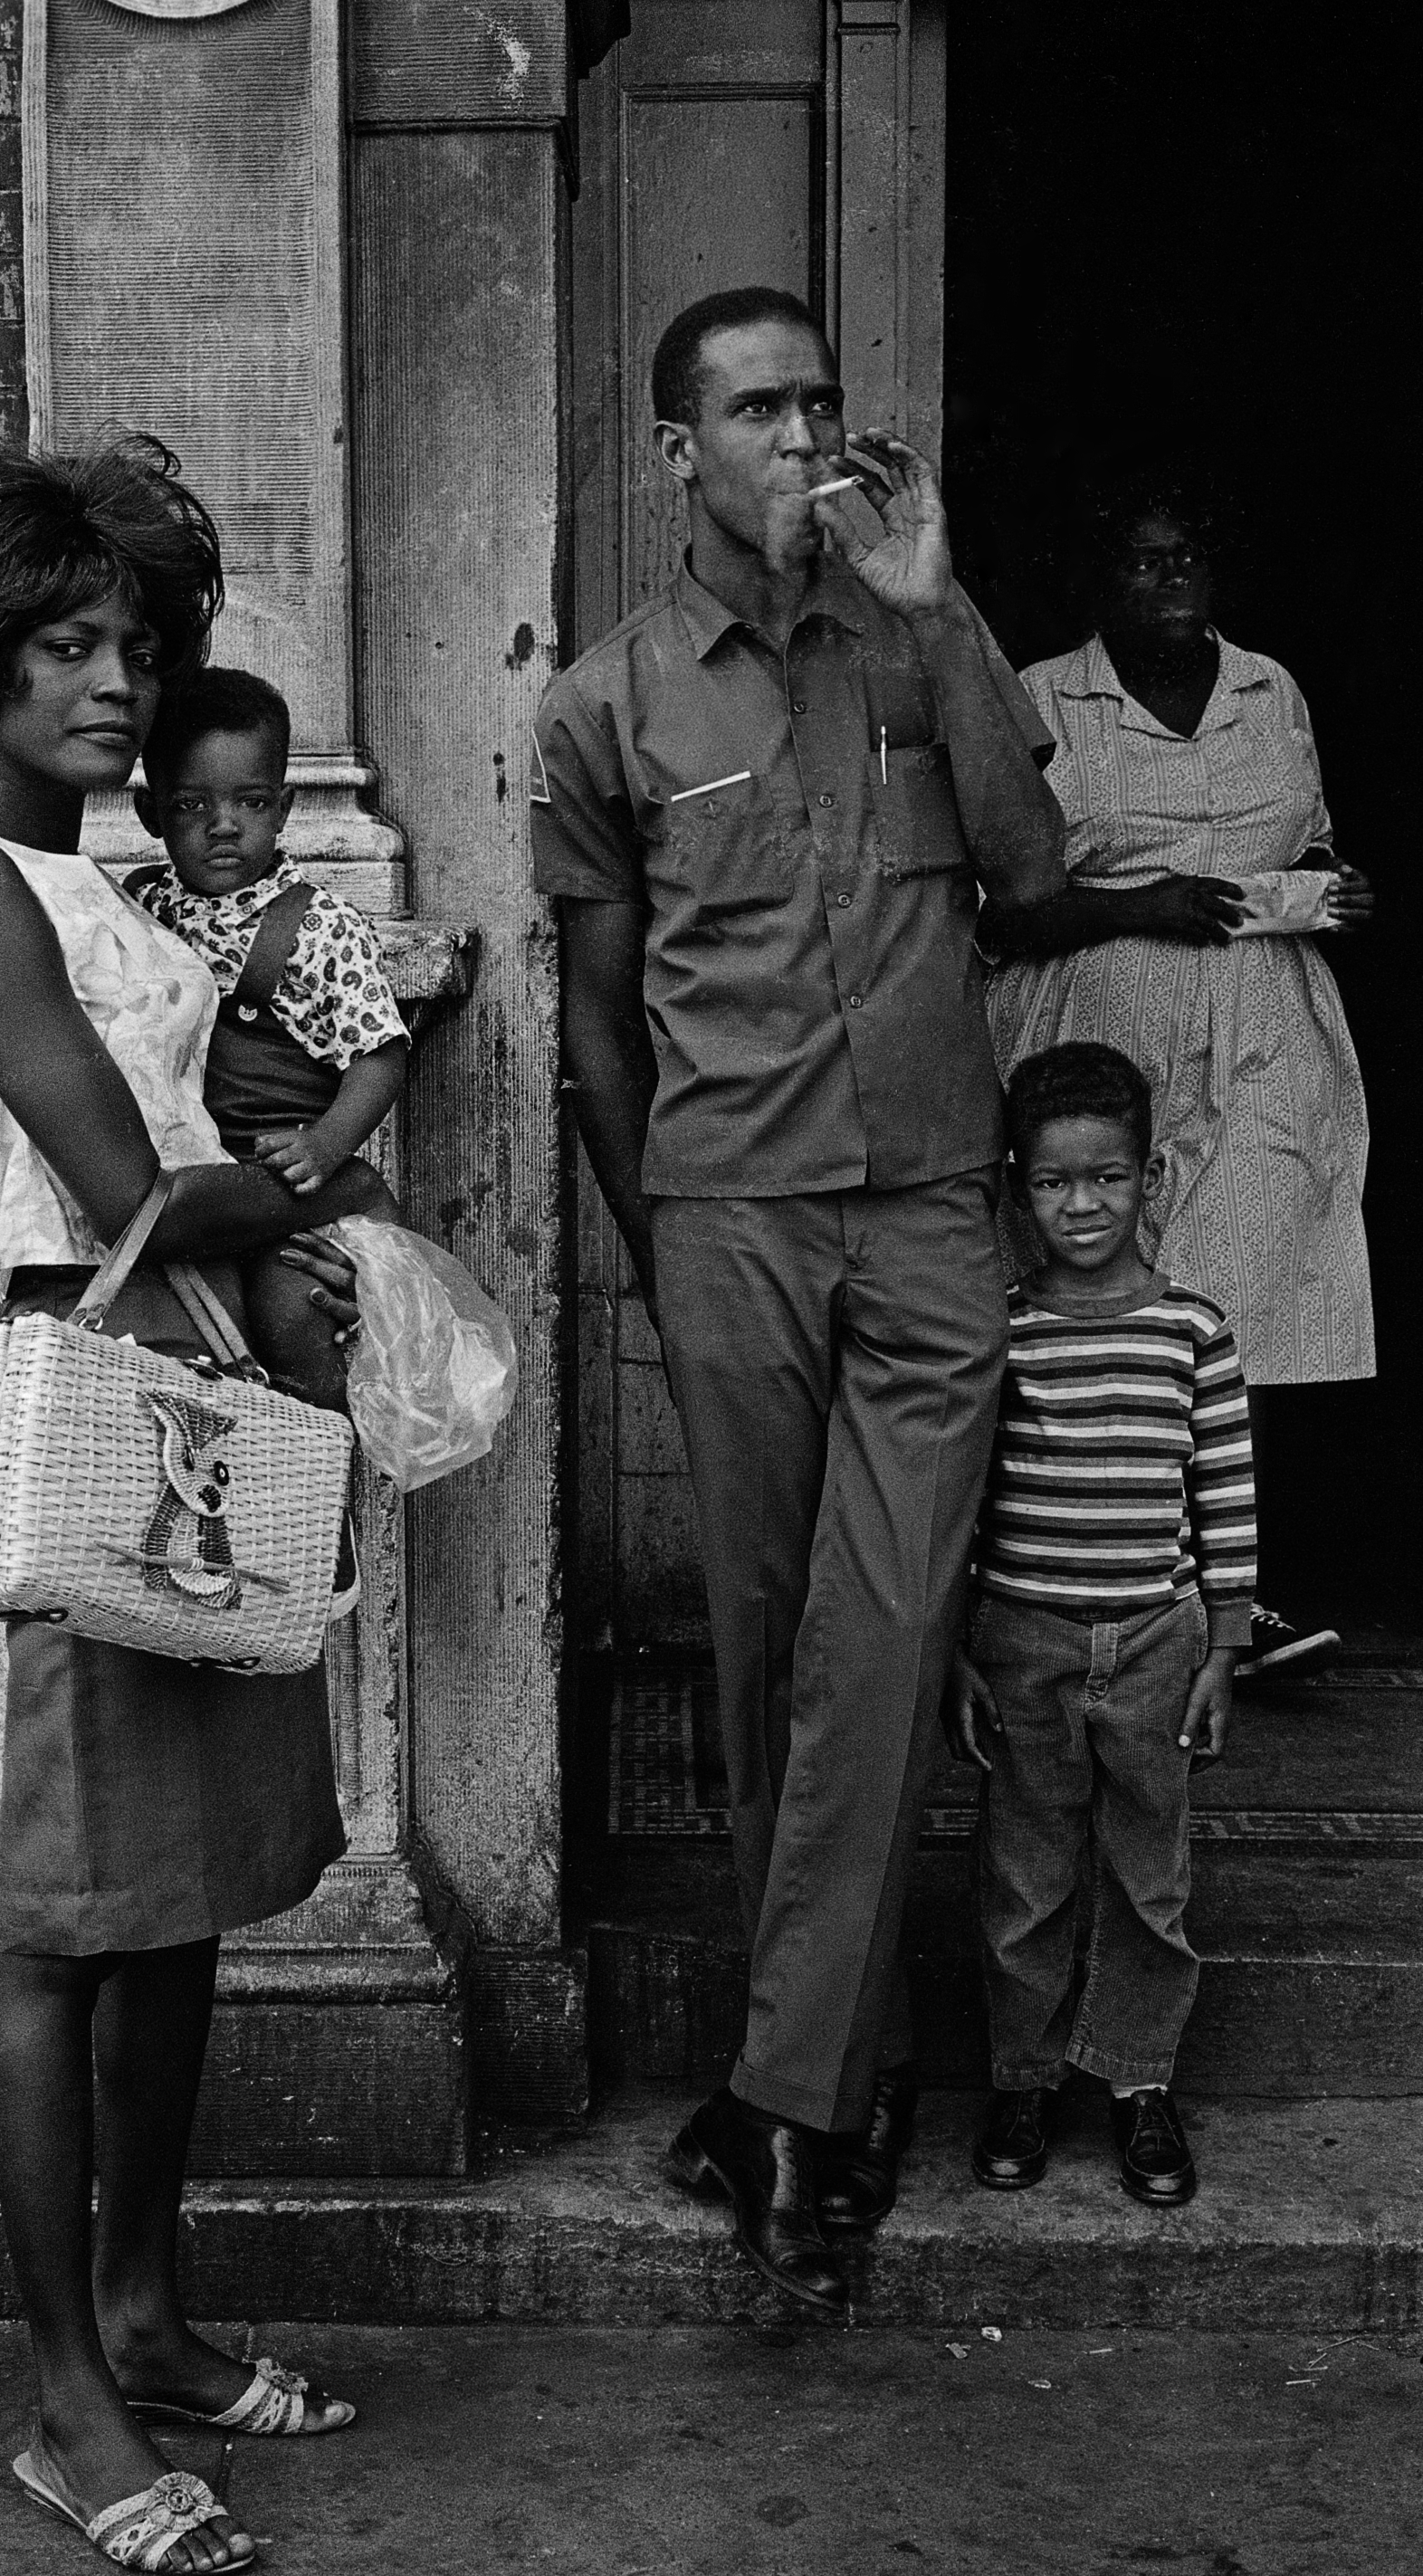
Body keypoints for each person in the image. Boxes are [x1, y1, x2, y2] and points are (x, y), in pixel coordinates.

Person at [533, 284, 1065, 2316]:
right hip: (729, 1217)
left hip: (928, 1210)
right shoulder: (607, 704)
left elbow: (1029, 874)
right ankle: (840, 2083)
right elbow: (597, 1028)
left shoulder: (921, 642)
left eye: (819, 402)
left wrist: (943, 606)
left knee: (885, 1636)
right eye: (761, 410)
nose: (804, 438)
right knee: (765, 1659)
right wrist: (660, 1234)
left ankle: (778, 2104)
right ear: (681, 451)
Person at [0, 439, 364, 2575]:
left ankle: (149, 2316)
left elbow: (194, 1163)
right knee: (66, 1920)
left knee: (180, 1897)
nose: (114, 684)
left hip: (201, 1390)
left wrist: (271, 1259)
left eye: (138, 650)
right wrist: (318, 1185)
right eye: (68, 644)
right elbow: (130, 1189)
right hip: (91, 1390)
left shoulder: (110, 881)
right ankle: (70, 2408)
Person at [980, 486, 1374, 1684]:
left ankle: (1223, 1600)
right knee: (1100, 1299)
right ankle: (1095, 1593)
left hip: (1264, 1026)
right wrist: (1136, 904)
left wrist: (1327, 884)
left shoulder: (1269, 688)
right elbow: (993, 910)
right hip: (1096, 1024)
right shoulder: (1043, 696)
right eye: (1142, 560)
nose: (1170, 576)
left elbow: (1300, 839)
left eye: (1188, 555)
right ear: (1095, 581)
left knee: (1231, 1307)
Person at [944, 1042, 1256, 2209]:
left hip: (1156, 1641)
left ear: (1150, 1176)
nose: (1081, 1205)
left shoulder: (1192, 1331)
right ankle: (1021, 2077)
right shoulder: (1001, 1332)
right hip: (1022, 1638)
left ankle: (1137, 2077)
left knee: (1147, 1873)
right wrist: (955, 1649)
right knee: (1023, 1875)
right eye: (1051, 1182)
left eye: (1107, 1177)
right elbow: (963, 1504)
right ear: (1015, 1190)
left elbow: (1222, 1494)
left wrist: (1224, 1646)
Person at [127, 665, 409, 1406]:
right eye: (191, 804)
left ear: (283, 809)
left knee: (297, 1321)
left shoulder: (320, 927)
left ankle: (325, 1468)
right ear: (151, 811)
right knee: (200, 1369)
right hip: (195, 1192)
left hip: (284, 1187)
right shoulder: (140, 909)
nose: (224, 825)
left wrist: (327, 1144)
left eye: (250, 802)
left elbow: (380, 1054)